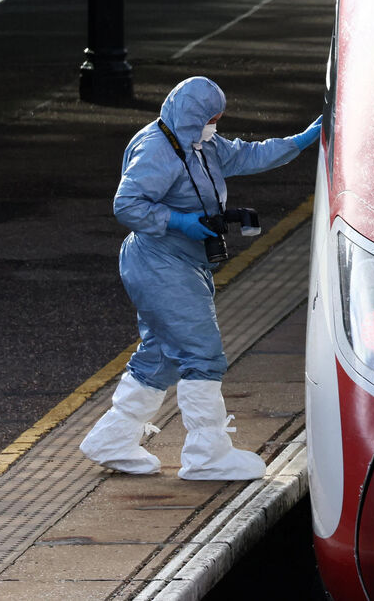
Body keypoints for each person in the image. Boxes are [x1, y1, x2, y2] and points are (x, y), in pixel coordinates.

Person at [80, 76, 321, 480]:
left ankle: (112, 438)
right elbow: (127, 204)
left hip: (177, 263)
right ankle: (207, 453)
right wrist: (177, 221)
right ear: (195, 116)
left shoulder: (201, 143)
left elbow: (249, 155)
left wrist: (300, 140)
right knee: (202, 354)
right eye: (212, 117)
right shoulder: (158, 149)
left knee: (160, 355)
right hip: (160, 263)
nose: (216, 124)